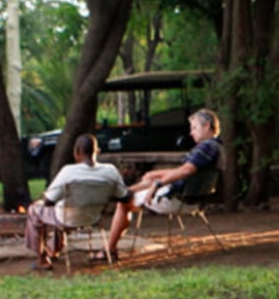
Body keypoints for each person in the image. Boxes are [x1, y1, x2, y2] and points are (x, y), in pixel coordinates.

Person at [104, 108, 222, 260]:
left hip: (178, 199)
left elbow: (186, 170)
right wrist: (156, 176)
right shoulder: (217, 147)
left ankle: (110, 250)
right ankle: (124, 192)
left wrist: (158, 183)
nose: (191, 133)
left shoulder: (207, 147)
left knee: (124, 203)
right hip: (193, 198)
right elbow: (184, 171)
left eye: (194, 128)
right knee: (149, 177)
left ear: (206, 126)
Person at [24, 133, 131, 270]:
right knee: (61, 210)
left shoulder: (68, 171)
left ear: (77, 152)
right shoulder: (110, 171)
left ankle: (42, 259)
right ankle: (53, 250)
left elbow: (49, 201)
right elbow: (124, 196)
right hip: (94, 218)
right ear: (97, 151)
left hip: (66, 218)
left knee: (34, 211)